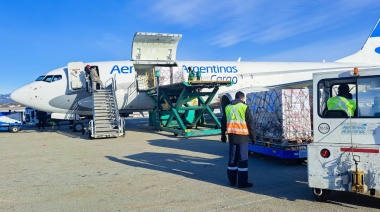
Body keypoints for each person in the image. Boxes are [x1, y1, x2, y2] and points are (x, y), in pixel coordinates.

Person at [221, 91, 256, 188]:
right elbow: (250, 124)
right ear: (242, 99)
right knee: (242, 160)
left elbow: (223, 122)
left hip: (232, 137)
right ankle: (242, 183)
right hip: (242, 137)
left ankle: (232, 181)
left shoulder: (227, 107)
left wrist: (223, 135)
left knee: (232, 159)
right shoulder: (244, 107)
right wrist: (253, 137)